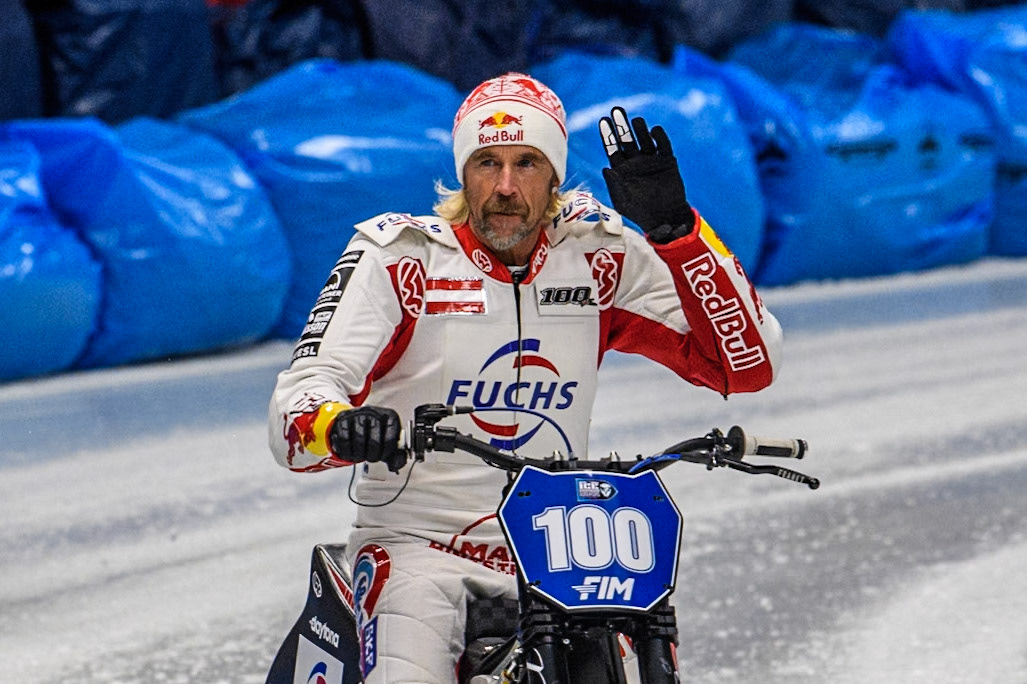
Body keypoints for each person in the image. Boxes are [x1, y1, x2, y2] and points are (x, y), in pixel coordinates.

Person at [268, 71, 783, 683]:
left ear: (556, 174)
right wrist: (341, 424)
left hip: (565, 551)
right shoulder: (399, 258)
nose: (505, 187)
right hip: (419, 546)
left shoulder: (599, 256)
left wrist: (679, 235)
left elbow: (748, 363)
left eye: (527, 163)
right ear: (464, 171)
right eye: (487, 162)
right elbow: (303, 395)